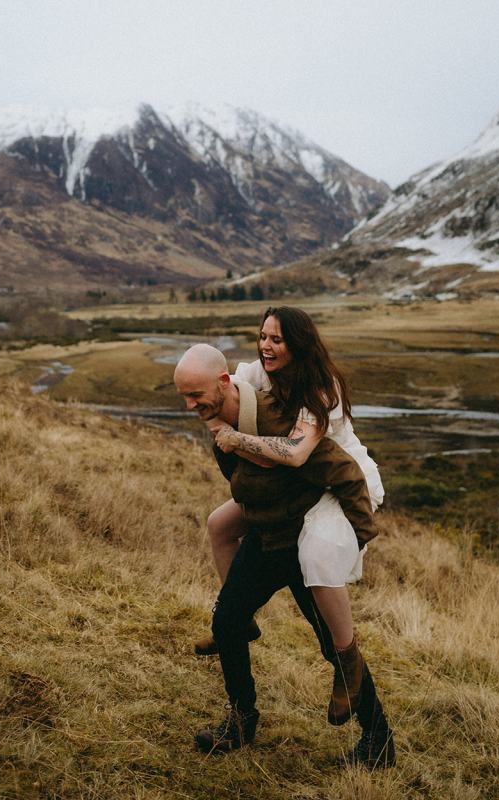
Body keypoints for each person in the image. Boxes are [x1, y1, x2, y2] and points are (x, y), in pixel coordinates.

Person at [173, 344, 395, 769]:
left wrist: (360, 528)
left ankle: (378, 742)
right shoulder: (220, 421)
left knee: (334, 646)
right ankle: (241, 721)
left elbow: (336, 468)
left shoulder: (278, 418)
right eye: (184, 396)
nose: (190, 404)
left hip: (301, 537)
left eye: (196, 394)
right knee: (228, 621)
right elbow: (243, 482)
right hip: (266, 534)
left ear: (224, 383)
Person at [200, 306, 384, 659]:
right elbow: (227, 398)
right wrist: (208, 406)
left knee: (315, 556)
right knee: (219, 525)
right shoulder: (258, 372)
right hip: (294, 480)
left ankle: (346, 657)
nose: (265, 346)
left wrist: (238, 440)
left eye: (277, 340)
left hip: (334, 482)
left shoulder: (320, 386)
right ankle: (238, 618)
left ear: (298, 344)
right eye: (263, 336)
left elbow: (297, 453)